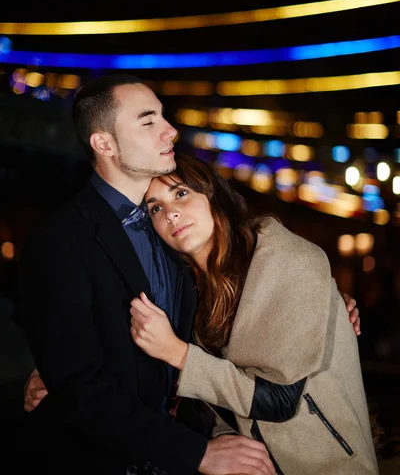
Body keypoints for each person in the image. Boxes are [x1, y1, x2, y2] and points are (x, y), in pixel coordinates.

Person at [17, 74, 276, 475]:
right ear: (103, 143)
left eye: (163, 117)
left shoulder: (173, 224)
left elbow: (229, 295)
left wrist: (318, 302)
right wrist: (197, 453)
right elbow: (82, 388)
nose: (170, 130)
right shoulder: (59, 240)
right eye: (148, 120)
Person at [128, 153, 379, 475]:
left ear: (212, 195)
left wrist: (178, 354)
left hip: (328, 465)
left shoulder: (285, 261)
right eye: (155, 208)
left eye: (181, 193)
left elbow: (279, 400)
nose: (171, 214)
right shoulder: (187, 287)